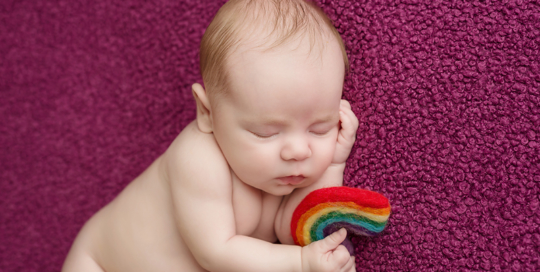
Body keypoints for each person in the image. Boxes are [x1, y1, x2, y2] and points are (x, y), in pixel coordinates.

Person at [62, 0, 359, 271]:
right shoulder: (198, 158)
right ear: (207, 113)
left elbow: (288, 228)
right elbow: (216, 252)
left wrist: (332, 164)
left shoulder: (280, 171)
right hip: (99, 263)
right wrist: (300, 264)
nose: (298, 150)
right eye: (265, 132)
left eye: (319, 128)